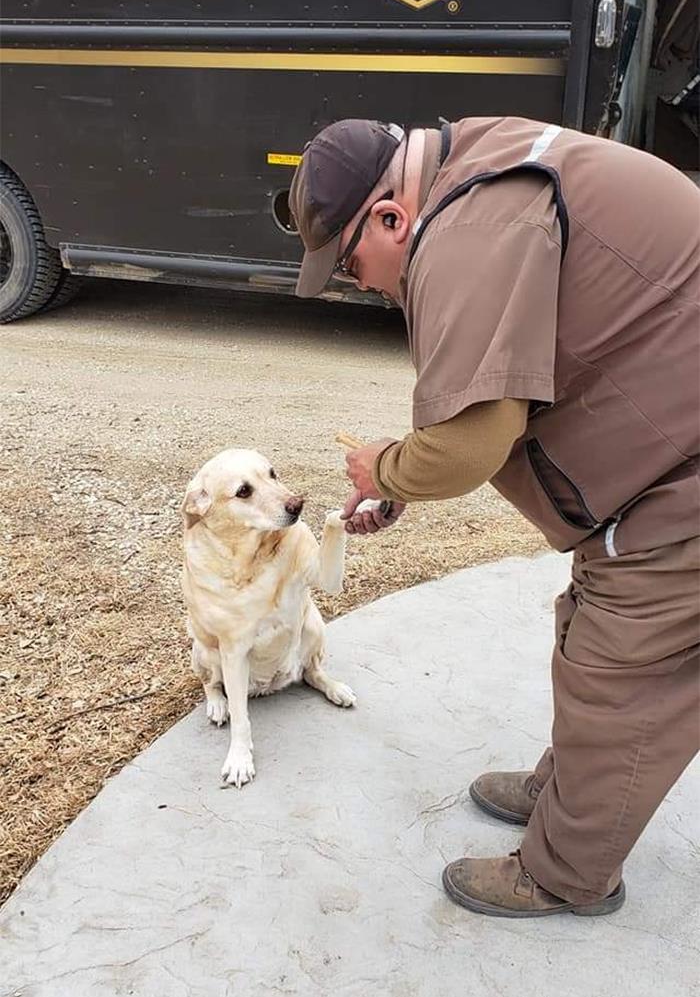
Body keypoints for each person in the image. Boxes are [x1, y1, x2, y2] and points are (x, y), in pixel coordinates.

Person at [289, 115, 700, 918]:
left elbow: (474, 440)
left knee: (620, 673)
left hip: (680, 480)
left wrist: (387, 466)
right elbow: (498, 397)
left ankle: (565, 875)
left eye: (350, 264)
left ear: (388, 217)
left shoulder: (467, 230)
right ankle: (569, 789)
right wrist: (406, 477)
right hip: (661, 461)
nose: (361, 282)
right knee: (590, 631)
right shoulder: (481, 166)